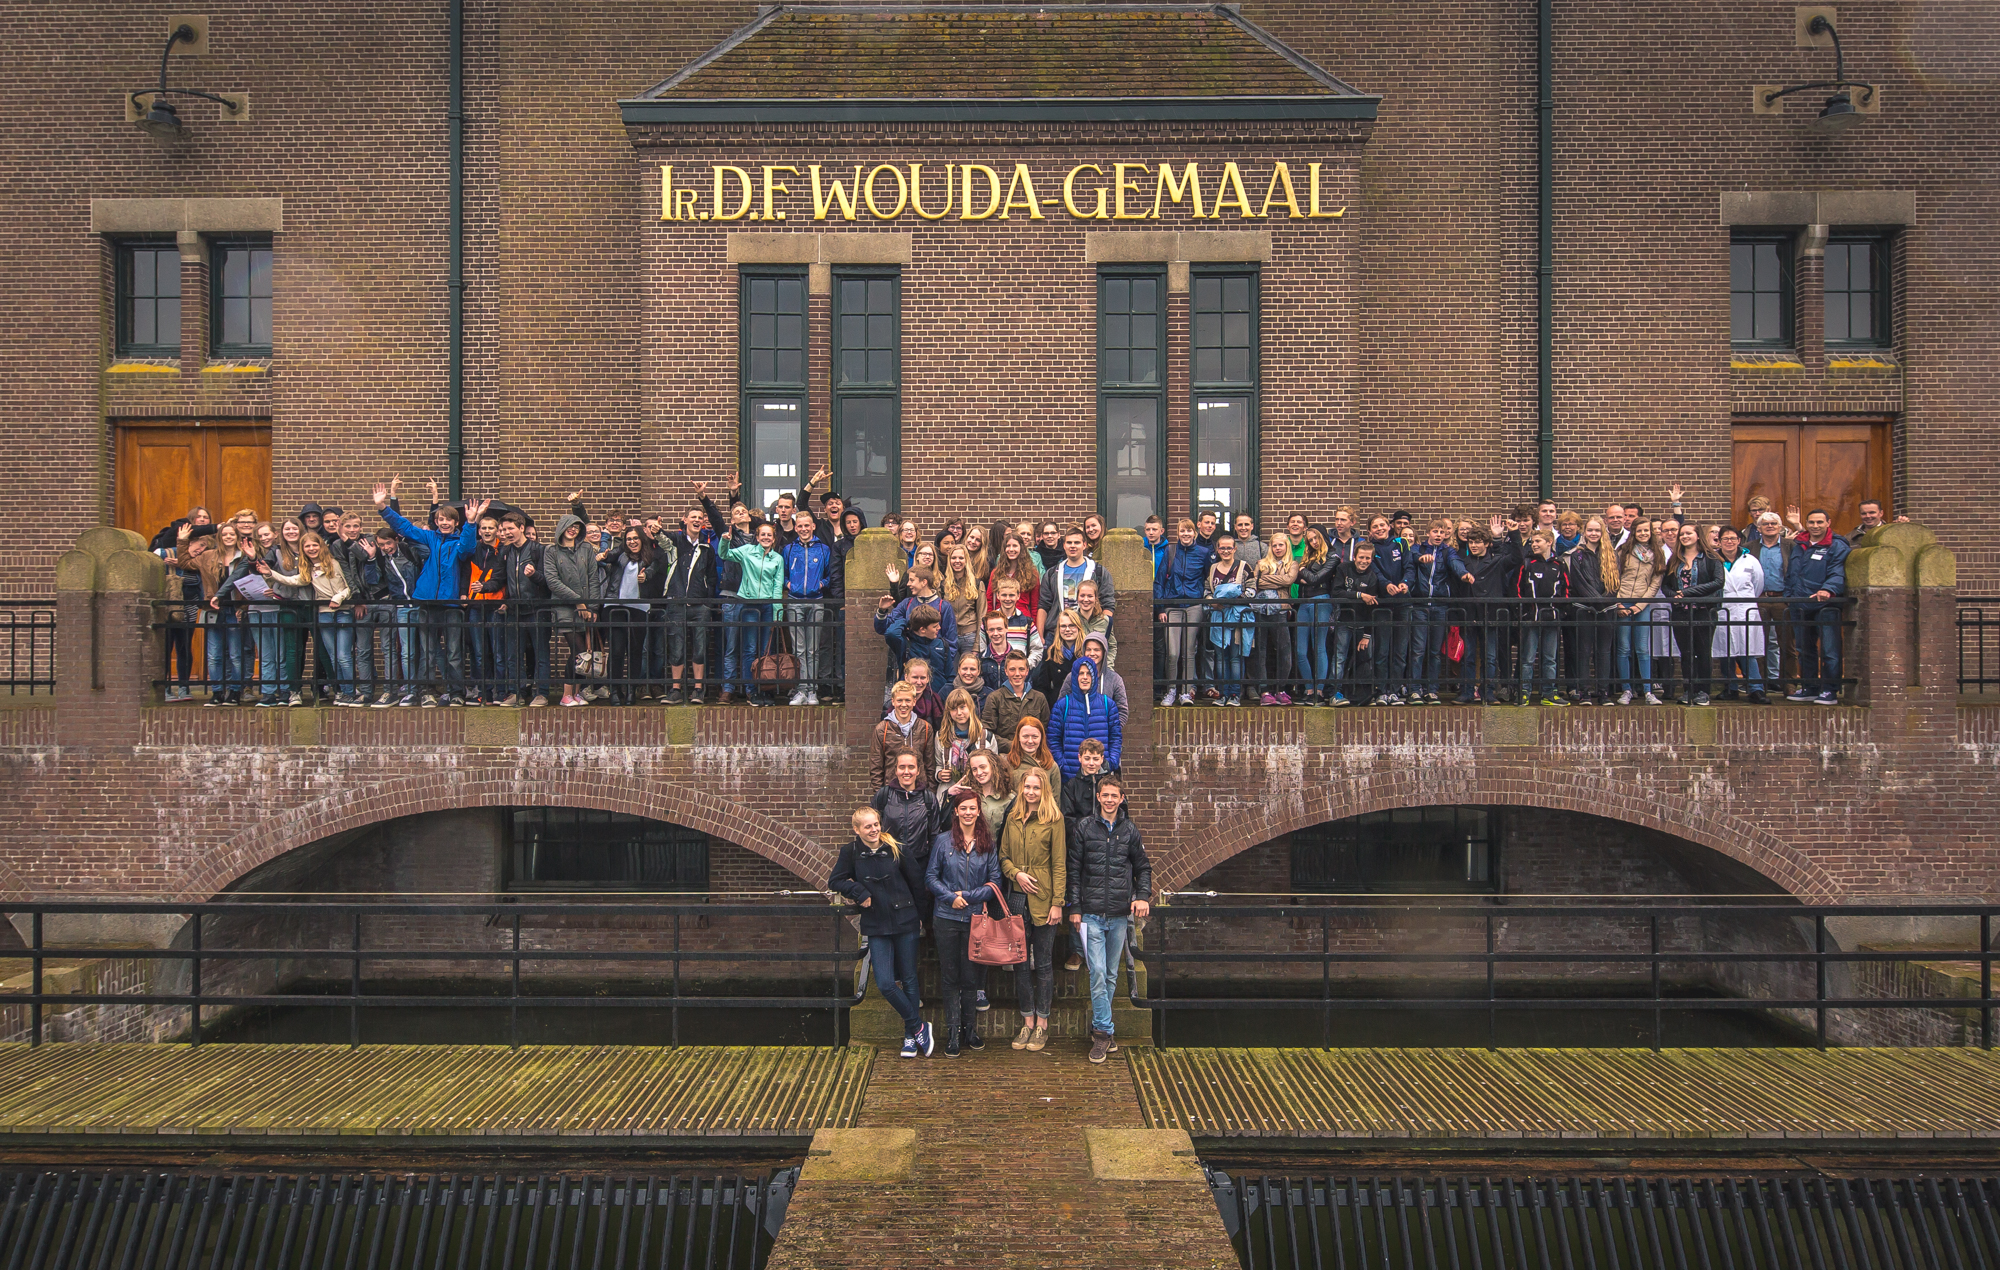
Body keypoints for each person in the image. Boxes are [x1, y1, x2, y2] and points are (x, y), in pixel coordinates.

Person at [829, 807, 935, 1059]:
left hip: (905, 919)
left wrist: (921, 917)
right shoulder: (851, 852)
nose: (875, 829)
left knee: (909, 978)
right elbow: (835, 881)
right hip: (876, 924)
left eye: (876, 824)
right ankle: (918, 1025)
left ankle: (910, 1036)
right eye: (868, 826)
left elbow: (917, 884)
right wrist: (859, 893)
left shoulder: (897, 847)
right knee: (886, 982)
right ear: (857, 829)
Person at [375, 480, 487, 708]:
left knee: (454, 653)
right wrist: (382, 508)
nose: (444, 523)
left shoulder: (460, 541)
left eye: (448, 520)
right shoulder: (430, 538)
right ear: (436, 522)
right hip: (426, 601)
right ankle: (426, 692)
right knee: (426, 651)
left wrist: (472, 522)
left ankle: (456, 693)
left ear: (456, 522)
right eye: (440, 520)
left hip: (451, 604)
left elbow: (467, 549)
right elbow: (404, 527)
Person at [1066, 773, 1151, 1065]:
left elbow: (1143, 868)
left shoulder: (1130, 831)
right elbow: (1073, 870)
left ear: (1121, 798)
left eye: (1115, 795)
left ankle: (1101, 1027)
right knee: (1099, 972)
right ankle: (1104, 1033)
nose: (1110, 800)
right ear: (1098, 798)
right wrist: (1074, 907)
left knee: (1111, 975)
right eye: (1106, 795)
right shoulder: (1084, 828)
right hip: (1089, 914)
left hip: (1118, 915)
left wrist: (1142, 896)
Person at [926, 788, 1004, 1058]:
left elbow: (995, 882)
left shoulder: (987, 843)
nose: (968, 813)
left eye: (973, 808)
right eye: (964, 808)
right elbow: (931, 878)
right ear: (956, 811)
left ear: (978, 811)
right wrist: (950, 898)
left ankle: (970, 1030)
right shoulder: (942, 841)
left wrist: (968, 897)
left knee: (971, 979)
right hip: (946, 918)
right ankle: (953, 1033)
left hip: (975, 920)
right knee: (950, 978)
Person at [998, 766, 1065, 1052]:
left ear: (1044, 790)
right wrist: (1016, 874)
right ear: (1021, 789)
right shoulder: (1012, 818)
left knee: (1045, 963)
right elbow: (1002, 857)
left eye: (1037, 788)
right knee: (1021, 963)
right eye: (1027, 787)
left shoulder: (1055, 819)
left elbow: (1060, 864)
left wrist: (1057, 903)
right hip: (1016, 899)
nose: (1031, 792)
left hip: (1044, 898)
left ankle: (1042, 1024)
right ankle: (1027, 1021)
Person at [656, 503, 719, 705]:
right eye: (693, 517)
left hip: (700, 605)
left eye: (700, 517)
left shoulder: (707, 547)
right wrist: (657, 531)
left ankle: (698, 689)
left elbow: (712, 576)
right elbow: (663, 540)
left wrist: (707, 601)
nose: (697, 520)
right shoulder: (676, 542)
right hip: (676, 603)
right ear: (685, 520)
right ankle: (676, 689)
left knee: (700, 647)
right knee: (676, 646)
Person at [1785, 508, 1849, 705]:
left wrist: (1828, 589)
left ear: (1828, 523)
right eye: (1811, 522)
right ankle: (1810, 687)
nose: (1815, 526)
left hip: (1824, 604)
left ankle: (1830, 690)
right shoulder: (1800, 544)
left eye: (1820, 522)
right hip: (1800, 604)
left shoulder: (1837, 546)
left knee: (1829, 649)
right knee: (1804, 649)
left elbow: (1837, 571)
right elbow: (1792, 573)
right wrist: (1789, 595)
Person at [718, 519, 784, 705]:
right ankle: (751, 690)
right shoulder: (747, 551)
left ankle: (764, 689)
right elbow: (725, 554)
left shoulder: (777, 559)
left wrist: (777, 611)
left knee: (766, 651)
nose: (765, 537)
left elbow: (777, 586)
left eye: (769, 535)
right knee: (749, 649)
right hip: (748, 605)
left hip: (768, 607)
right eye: (762, 534)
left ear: (774, 538)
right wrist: (725, 540)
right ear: (757, 537)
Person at [1452, 518, 1518, 705]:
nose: (1474, 545)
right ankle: (1466, 692)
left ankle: (1488, 693)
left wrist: (1512, 534)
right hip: (1469, 615)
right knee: (1469, 657)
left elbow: (1516, 558)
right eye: (1471, 542)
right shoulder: (1463, 562)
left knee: (1490, 658)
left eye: (1478, 542)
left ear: (1487, 544)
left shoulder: (1497, 561)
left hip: (1490, 615)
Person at [544, 513, 600, 707]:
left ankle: (577, 693)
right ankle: (566, 694)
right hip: (564, 609)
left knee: (584, 652)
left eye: (577, 526)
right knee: (578, 649)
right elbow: (552, 581)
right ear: (562, 527)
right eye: (570, 525)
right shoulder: (551, 551)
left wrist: (591, 607)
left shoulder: (586, 549)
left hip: (585, 609)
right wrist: (578, 602)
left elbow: (593, 578)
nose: (573, 529)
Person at [1563, 516, 1620, 705]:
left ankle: (1603, 692)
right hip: (1584, 609)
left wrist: (1605, 602)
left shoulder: (1612, 555)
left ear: (1602, 532)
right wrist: (1597, 601)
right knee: (1583, 651)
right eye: (1590, 530)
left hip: (1608, 610)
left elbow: (1615, 583)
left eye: (1597, 530)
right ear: (1584, 532)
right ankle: (1585, 692)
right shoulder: (1577, 555)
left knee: (1604, 652)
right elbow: (1578, 581)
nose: (1593, 534)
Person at [1155, 518, 1212, 706]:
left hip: (1194, 606)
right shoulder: (1171, 552)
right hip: (1172, 606)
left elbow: (1208, 578)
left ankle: (1186, 692)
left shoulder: (1203, 553)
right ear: (1177, 533)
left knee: (1189, 651)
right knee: (1172, 652)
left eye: (1189, 531)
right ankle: (1171, 690)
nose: (1185, 535)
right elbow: (1160, 581)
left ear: (1194, 533)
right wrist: (1161, 607)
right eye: (1182, 531)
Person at [497, 512, 551, 706]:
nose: (506, 533)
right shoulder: (505, 552)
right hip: (514, 610)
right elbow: (499, 579)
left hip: (537, 609)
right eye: (503, 530)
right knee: (513, 654)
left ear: (521, 528)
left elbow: (548, 581)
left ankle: (541, 693)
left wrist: (534, 575)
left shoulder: (539, 550)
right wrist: (485, 588)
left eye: (510, 528)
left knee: (541, 653)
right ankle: (516, 692)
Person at [1664, 524, 1721, 705]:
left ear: (1698, 536)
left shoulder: (1711, 558)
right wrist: (1674, 596)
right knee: (1686, 653)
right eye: (1682, 534)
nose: (1684, 536)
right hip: (1680, 613)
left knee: (1703, 652)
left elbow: (1718, 581)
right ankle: (1689, 690)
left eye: (1689, 533)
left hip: (1703, 612)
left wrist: (1688, 593)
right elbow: (1665, 584)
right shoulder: (1675, 559)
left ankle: (1703, 691)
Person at [782, 509, 835, 706]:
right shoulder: (789, 549)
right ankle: (801, 690)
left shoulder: (823, 549)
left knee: (813, 649)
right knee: (799, 648)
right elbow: (784, 573)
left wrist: (821, 584)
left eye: (807, 525)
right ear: (796, 528)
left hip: (816, 601)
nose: (804, 529)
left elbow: (830, 574)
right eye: (800, 526)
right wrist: (789, 585)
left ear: (813, 526)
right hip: (795, 600)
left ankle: (812, 690)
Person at [1407, 517, 1463, 703]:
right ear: (1429, 533)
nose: (1438, 535)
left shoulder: (1449, 552)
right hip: (1420, 604)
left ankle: (1432, 689)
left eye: (1441, 532)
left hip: (1439, 605)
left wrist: (1463, 574)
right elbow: (1413, 557)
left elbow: (1456, 564)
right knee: (1418, 650)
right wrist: (1421, 559)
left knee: (1435, 651)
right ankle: (1415, 688)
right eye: (1435, 532)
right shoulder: (1418, 548)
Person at [1612, 519, 1666, 705]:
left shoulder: (1658, 554)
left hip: (1642, 604)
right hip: (1623, 601)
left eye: (1647, 530)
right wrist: (1618, 603)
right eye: (1639, 530)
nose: (1643, 533)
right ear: (1633, 532)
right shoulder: (1623, 551)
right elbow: (1614, 577)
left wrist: (1640, 605)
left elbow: (1655, 584)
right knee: (1623, 647)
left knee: (1643, 648)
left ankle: (1648, 691)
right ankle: (1626, 690)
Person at [1711, 527, 1768, 702]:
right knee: (1726, 650)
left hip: (1745, 609)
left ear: (1739, 540)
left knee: (1747, 649)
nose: (1729, 542)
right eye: (1725, 538)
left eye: (1733, 538)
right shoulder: (1713, 560)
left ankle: (1756, 689)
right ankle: (1730, 687)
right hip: (1724, 608)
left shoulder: (1749, 560)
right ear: (1719, 541)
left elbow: (1758, 583)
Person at [1515, 528, 1570, 706]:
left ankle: (1549, 693)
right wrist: (1524, 611)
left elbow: (1567, 590)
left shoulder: (1559, 564)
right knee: (1528, 658)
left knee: (1550, 658)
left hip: (1552, 617)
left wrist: (1561, 611)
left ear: (1549, 542)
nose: (1534, 544)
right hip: (1531, 617)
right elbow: (1517, 589)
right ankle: (1524, 692)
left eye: (1538, 541)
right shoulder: (1527, 563)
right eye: (1532, 542)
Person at [1328, 539, 1386, 706]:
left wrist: (1367, 635)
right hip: (1344, 622)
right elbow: (1336, 592)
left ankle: (1364, 694)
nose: (1364, 561)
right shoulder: (1343, 568)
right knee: (1339, 657)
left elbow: (1371, 608)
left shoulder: (1372, 577)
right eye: (1361, 557)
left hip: (1362, 625)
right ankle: (1334, 693)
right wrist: (1360, 595)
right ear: (1354, 556)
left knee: (1366, 659)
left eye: (1368, 558)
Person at [872, 749, 940, 878]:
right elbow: (871, 830)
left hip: (919, 865)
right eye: (902, 767)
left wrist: (932, 869)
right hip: (888, 864)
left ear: (918, 770)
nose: (906, 772)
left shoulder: (928, 799)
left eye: (911, 767)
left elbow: (934, 836)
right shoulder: (883, 796)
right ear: (896, 770)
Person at [1049, 657, 1121, 778]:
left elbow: (1115, 738)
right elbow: (1053, 739)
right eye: (1081, 673)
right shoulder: (1063, 705)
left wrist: (1111, 762)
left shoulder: (1108, 704)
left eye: (1089, 673)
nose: (1085, 677)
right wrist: (1062, 764)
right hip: (1070, 776)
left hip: (1101, 774)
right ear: (1075, 676)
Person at [1247, 531, 1297, 706]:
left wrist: (1268, 578)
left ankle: (1281, 689)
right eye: (1274, 545)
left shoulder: (1292, 564)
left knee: (1284, 652)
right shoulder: (1261, 563)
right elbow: (1256, 582)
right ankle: (1265, 691)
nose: (1277, 548)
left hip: (1280, 612)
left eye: (1281, 545)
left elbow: (1289, 580)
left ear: (1286, 546)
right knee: (1260, 652)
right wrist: (1279, 580)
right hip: (1260, 611)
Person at [1040, 526, 1116, 638]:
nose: (1073, 546)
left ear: (1084, 545)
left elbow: (1108, 603)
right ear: (1064, 545)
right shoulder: (1052, 573)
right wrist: (1040, 636)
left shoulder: (1099, 572)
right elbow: (1043, 605)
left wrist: (1102, 632)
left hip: (1088, 631)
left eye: (1077, 542)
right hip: (1057, 633)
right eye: (1069, 542)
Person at [1205, 536, 1254, 706]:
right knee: (1220, 658)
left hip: (1237, 617)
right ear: (1217, 550)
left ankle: (1235, 694)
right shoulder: (1212, 569)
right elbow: (1206, 589)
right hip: (1219, 617)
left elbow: (1252, 589)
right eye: (1222, 548)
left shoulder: (1244, 567)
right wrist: (1213, 600)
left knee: (1235, 657)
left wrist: (1232, 599)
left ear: (1235, 549)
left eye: (1229, 548)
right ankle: (1223, 693)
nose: (1226, 551)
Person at [1292, 527, 1337, 704]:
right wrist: (1304, 573)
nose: (1314, 542)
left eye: (1316, 538)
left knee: (1319, 648)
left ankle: (1319, 690)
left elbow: (1316, 579)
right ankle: (1309, 688)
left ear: (1323, 537)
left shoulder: (1333, 557)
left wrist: (1302, 570)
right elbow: (1295, 578)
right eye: (1310, 540)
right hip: (1304, 602)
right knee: (1301, 650)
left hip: (1322, 601)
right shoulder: (1308, 556)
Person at [1751, 511, 1795, 691]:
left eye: (1774, 523)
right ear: (1759, 528)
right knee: (1758, 644)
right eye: (1766, 524)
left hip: (1782, 599)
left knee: (1787, 644)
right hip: (1759, 599)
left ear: (1780, 527)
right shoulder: (1749, 547)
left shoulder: (1791, 546)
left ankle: (1789, 684)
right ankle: (1760, 684)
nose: (1770, 526)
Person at [980, 651, 1049, 751]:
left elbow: (1045, 730)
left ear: (1027, 671)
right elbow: (988, 733)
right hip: (1004, 755)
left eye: (1021, 669)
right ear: (1006, 671)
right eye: (1012, 669)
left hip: (1032, 754)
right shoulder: (995, 698)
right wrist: (1013, 746)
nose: (1017, 674)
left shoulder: (1039, 698)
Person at [871, 684, 936, 788]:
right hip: (891, 791)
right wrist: (880, 796)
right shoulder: (882, 730)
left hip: (919, 790)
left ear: (914, 701)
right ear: (893, 701)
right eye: (899, 700)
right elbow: (876, 768)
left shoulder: (925, 728)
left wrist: (930, 793)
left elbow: (930, 765)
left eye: (908, 700)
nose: (904, 705)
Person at [933, 687, 995, 787]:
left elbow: (995, 767)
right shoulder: (941, 736)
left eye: (962, 707)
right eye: (954, 709)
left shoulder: (985, 736)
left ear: (970, 708)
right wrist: (939, 774)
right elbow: (938, 764)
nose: (959, 713)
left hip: (979, 791)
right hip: (950, 789)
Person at [939, 543, 984, 649]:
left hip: (970, 636)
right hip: (949, 636)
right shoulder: (942, 585)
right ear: (949, 561)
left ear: (966, 560)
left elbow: (981, 615)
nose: (957, 561)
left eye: (961, 558)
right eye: (953, 558)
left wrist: (977, 645)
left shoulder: (977, 584)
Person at [1004, 714, 1060, 794]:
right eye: (1025, 736)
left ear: (1041, 738)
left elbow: (1055, 801)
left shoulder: (1051, 767)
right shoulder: (1007, 764)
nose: (1030, 741)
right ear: (1018, 737)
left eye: (1034, 737)